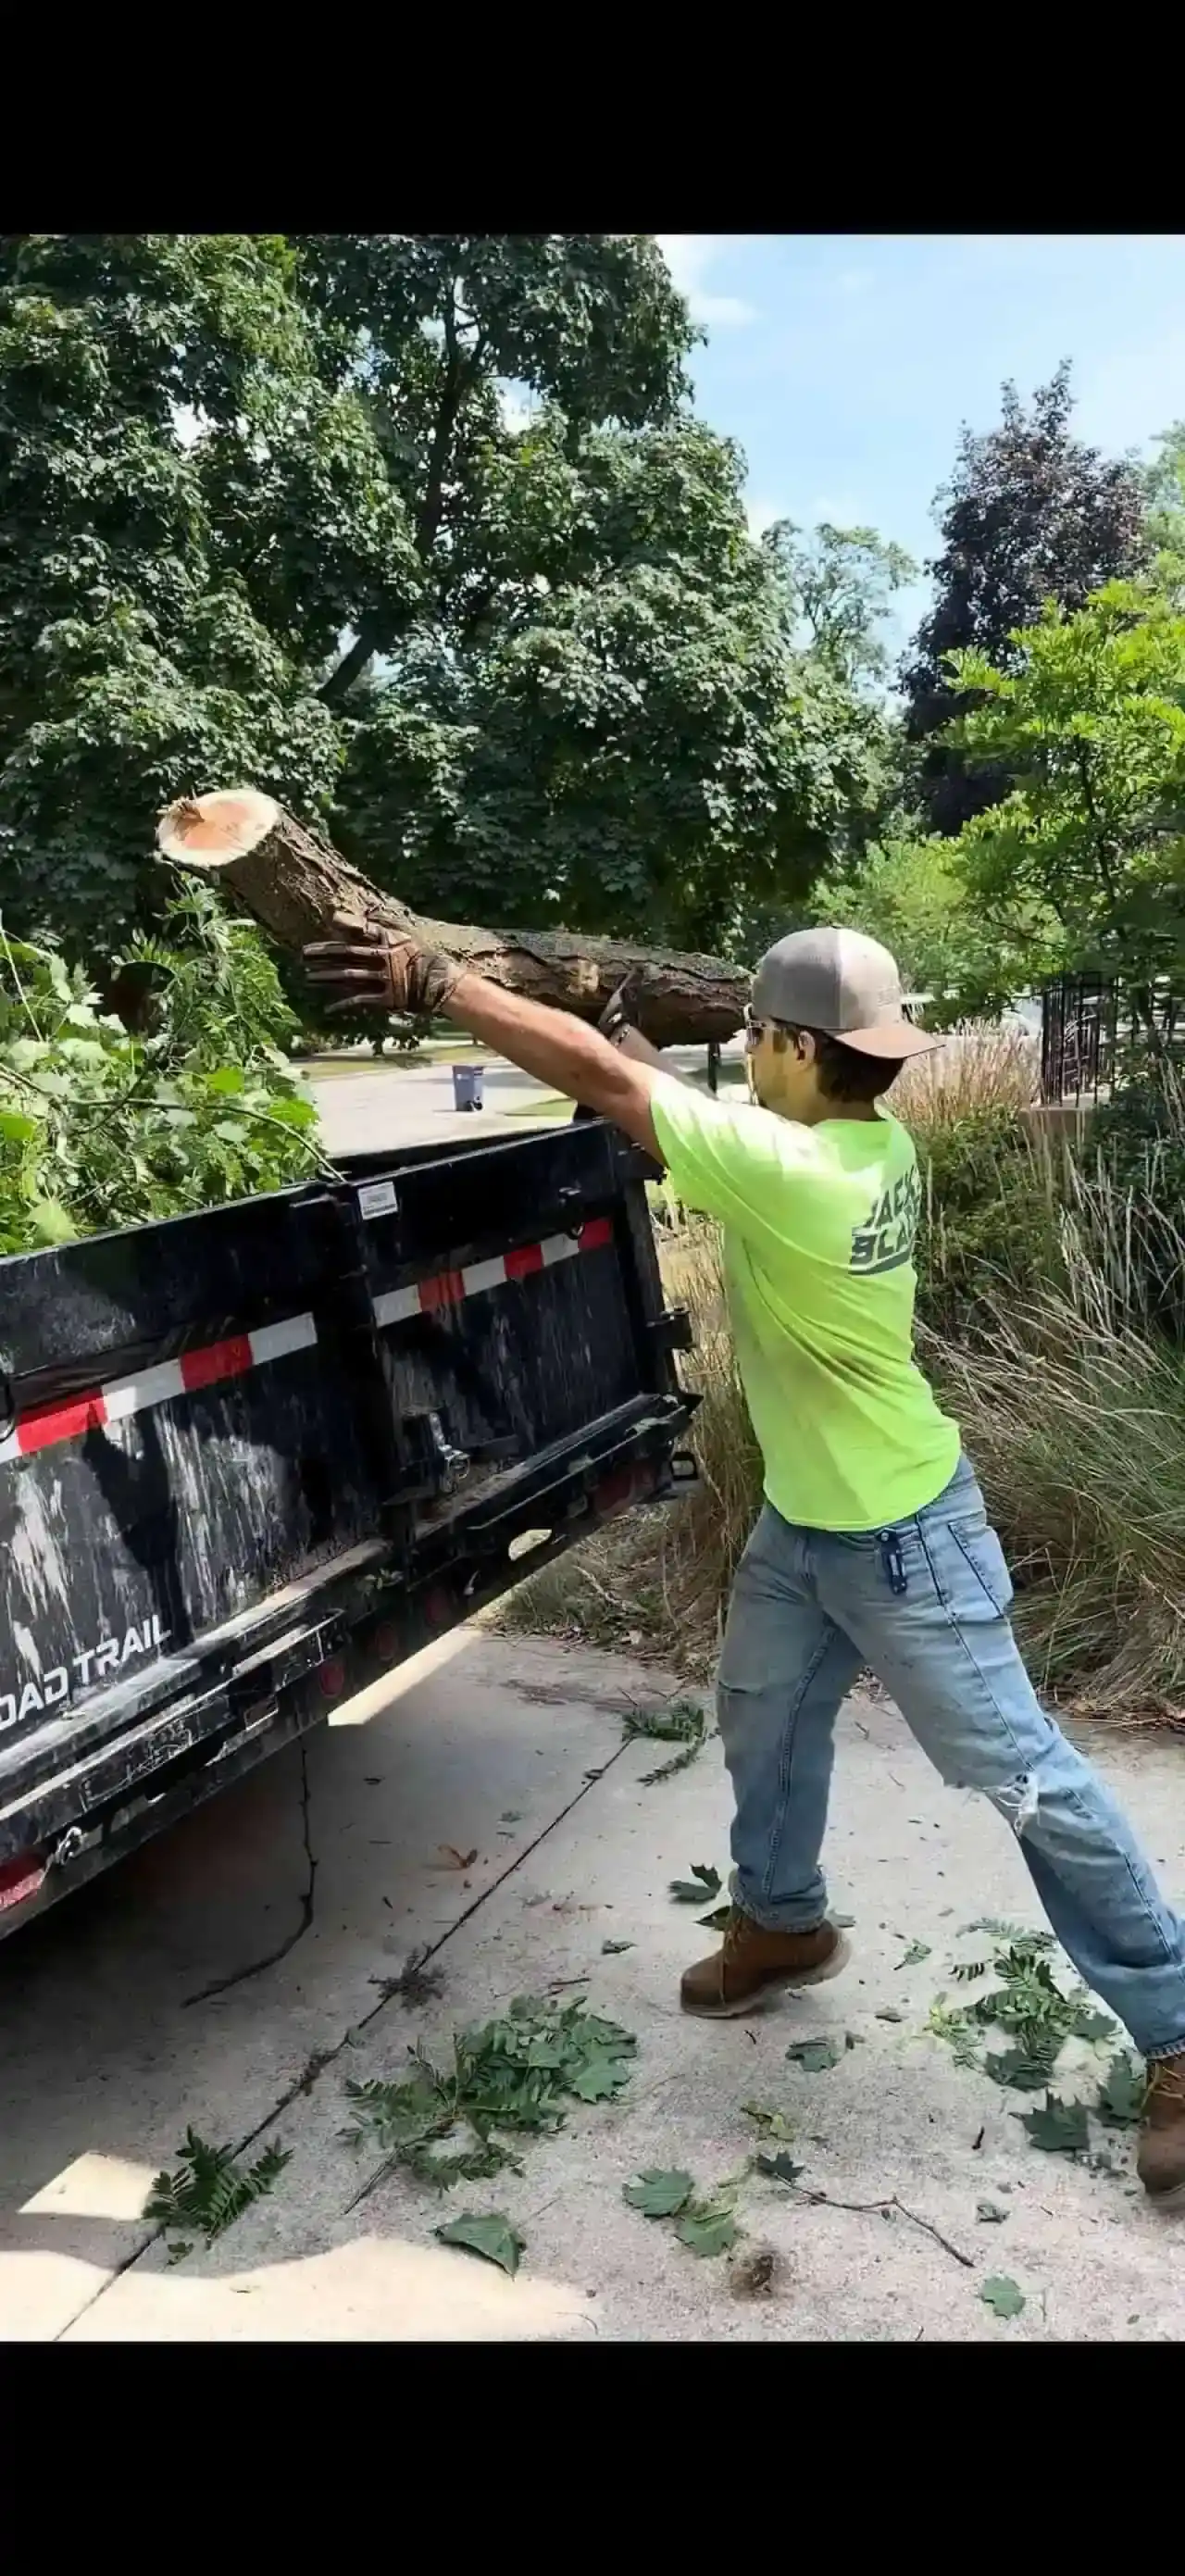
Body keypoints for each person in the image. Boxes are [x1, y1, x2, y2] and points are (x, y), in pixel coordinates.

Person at [304, 914, 1185, 2207]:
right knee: (763, 1714)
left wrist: (444, 981)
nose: (743, 1055)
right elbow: (636, 1070)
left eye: (756, 1040)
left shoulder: (801, 1171)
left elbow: (618, 1090)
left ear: (788, 1047)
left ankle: (1175, 2027)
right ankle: (785, 1919)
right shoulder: (868, 1142)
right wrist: (609, 1007)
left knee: (1027, 1778)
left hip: (903, 1538)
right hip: (809, 1525)